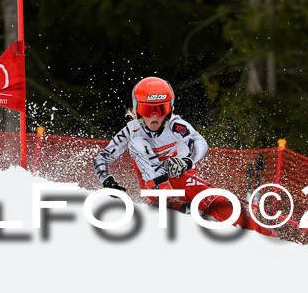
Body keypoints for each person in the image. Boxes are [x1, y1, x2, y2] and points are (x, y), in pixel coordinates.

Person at [93, 76, 279, 237]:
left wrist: (187, 161)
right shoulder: (131, 131)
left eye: (161, 108)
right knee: (138, 143)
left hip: (184, 181)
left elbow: (201, 144)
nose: (155, 117)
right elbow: (102, 158)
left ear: (170, 108)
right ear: (137, 109)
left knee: (219, 202)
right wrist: (108, 181)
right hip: (155, 189)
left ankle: (263, 235)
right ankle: (167, 199)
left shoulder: (175, 125)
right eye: (149, 110)